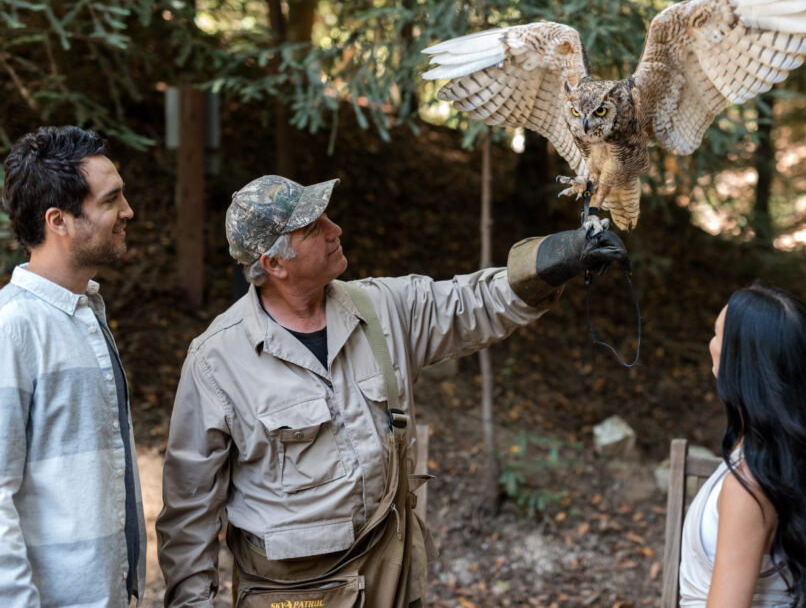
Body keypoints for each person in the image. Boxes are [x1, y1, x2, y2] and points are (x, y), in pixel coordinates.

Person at [156, 174, 628, 607]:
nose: (335, 229)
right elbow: (189, 512)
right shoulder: (217, 362)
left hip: (393, 575)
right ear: (274, 263)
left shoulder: (381, 307)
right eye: (314, 228)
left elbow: (472, 302)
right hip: (292, 594)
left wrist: (558, 258)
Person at [0, 126, 144, 606]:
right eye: (112, 200)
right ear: (58, 221)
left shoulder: (87, 313)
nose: (128, 211)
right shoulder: (14, 329)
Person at [679, 284, 806, 607]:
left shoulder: (750, 485)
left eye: (717, 335)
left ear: (740, 362)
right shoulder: (782, 455)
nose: (710, 344)